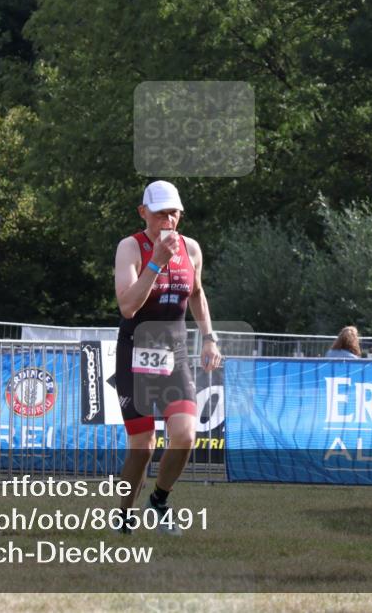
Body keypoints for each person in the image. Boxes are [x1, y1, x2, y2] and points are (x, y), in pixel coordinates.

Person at [113, 180, 221, 535]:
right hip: (136, 353)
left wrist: (208, 338)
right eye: (160, 213)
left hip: (174, 353)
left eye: (174, 213)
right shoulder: (130, 248)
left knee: (186, 435)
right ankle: (124, 513)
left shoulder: (191, 249)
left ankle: (159, 501)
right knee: (143, 447)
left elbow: (197, 293)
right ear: (143, 213)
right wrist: (156, 263)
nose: (169, 220)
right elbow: (128, 306)